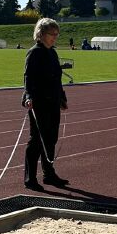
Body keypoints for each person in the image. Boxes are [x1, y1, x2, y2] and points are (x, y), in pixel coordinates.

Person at [22, 18, 69, 191]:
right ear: (41, 34)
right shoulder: (34, 53)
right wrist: (28, 96)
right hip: (39, 102)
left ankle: (49, 174)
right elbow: (28, 77)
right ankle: (30, 178)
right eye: (52, 34)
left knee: (51, 139)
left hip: (53, 101)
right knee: (36, 140)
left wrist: (62, 98)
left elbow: (57, 79)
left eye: (57, 34)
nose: (55, 37)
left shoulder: (53, 53)